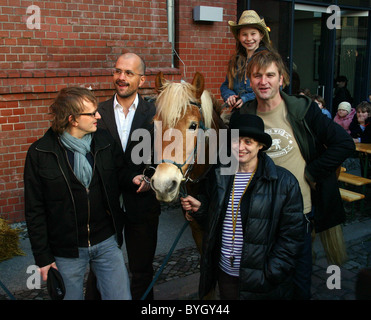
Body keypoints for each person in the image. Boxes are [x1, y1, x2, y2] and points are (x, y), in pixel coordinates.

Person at [235, 50, 355, 300]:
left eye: (270, 75)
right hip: (258, 214)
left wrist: (312, 172)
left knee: (299, 284)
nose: (263, 81)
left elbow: (343, 143)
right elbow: (227, 161)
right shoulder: (243, 115)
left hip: (298, 213)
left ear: (282, 79)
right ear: (249, 80)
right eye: (257, 75)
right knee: (260, 286)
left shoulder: (303, 110)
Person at [180, 114, 304, 300]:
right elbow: (215, 222)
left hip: (263, 281)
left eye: (248, 141)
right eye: (236, 141)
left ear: (260, 145)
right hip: (226, 273)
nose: (241, 147)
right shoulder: (219, 176)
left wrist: (270, 274)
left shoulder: (284, 183)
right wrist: (201, 209)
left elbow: (292, 238)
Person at [24, 87, 131, 300]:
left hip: (106, 241)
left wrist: (142, 178)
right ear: (72, 119)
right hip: (66, 250)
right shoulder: (40, 153)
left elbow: (123, 176)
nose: (98, 116)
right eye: (92, 113)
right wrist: (43, 257)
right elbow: (34, 210)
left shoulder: (104, 141)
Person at [97, 52, 161, 300]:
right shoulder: (97, 113)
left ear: (142, 80)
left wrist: (150, 177)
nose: (121, 78)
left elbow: (164, 154)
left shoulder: (155, 113)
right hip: (105, 207)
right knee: (99, 272)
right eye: (117, 71)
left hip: (142, 203)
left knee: (142, 270)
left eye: (129, 73)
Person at [220, 10, 275, 110]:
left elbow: (275, 88)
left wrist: (246, 98)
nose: (249, 39)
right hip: (238, 112)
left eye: (253, 34)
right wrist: (229, 95)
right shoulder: (236, 61)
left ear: (261, 35)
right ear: (239, 36)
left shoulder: (268, 60)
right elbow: (225, 86)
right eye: (244, 34)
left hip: (262, 112)